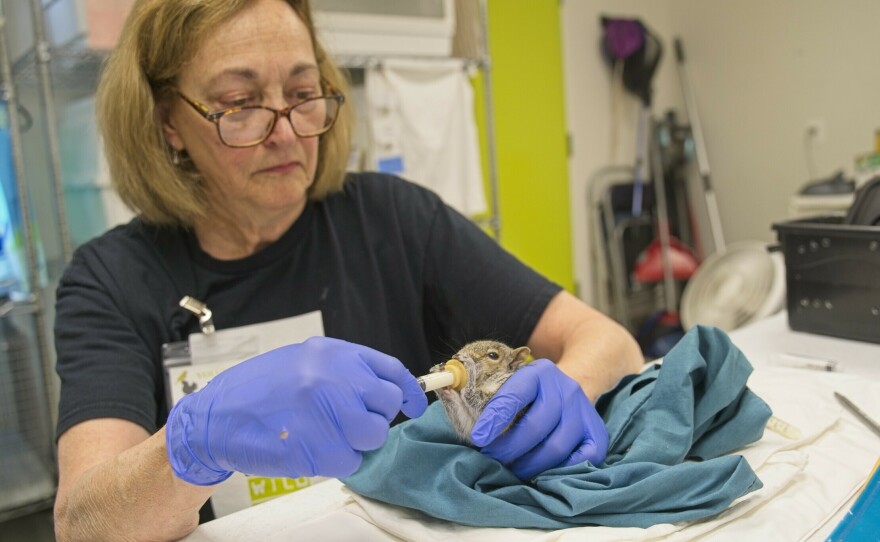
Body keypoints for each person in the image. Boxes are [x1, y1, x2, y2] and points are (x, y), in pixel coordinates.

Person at [51, 0, 644, 540]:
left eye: (304, 93)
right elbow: (84, 524)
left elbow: (610, 342)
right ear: (168, 122)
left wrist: (569, 388)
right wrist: (193, 442)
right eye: (240, 105)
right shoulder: (111, 279)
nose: (285, 132)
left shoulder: (393, 217)